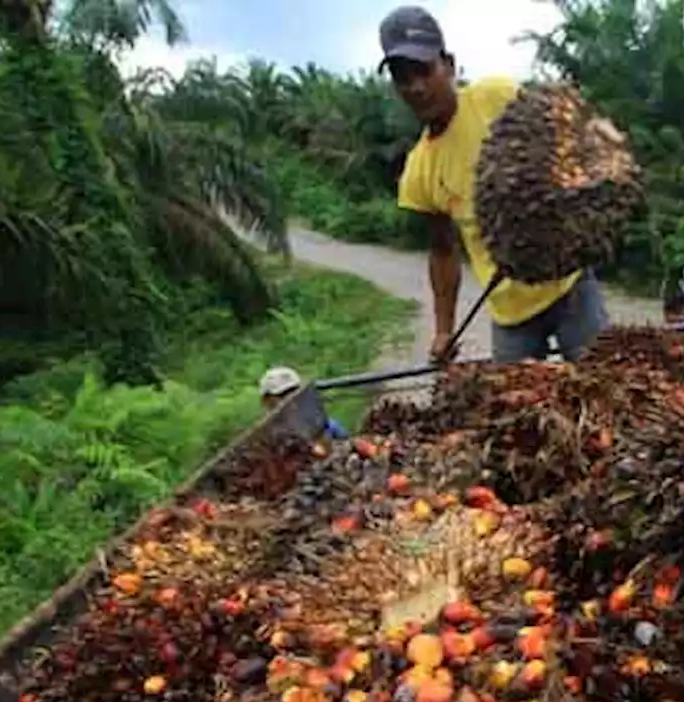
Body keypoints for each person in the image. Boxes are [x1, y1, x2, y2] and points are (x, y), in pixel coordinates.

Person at [379, 5, 610, 365]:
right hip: (510, 315)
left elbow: (564, 141)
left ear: (449, 65)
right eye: (402, 77)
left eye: (424, 70)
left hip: (569, 286)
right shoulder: (419, 171)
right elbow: (442, 252)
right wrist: (443, 330)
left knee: (606, 385)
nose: (416, 87)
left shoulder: (497, 97)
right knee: (512, 412)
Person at [258, 367, 349, 440]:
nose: (292, 399)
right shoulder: (263, 440)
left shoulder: (325, 426)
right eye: (283, 395)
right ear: (267, 400)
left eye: (295, 392)